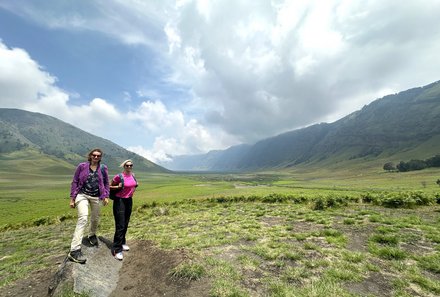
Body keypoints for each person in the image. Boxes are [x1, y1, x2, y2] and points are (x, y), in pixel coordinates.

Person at [68, 148, 110, 264]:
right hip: (82, 195)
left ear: (100, 157)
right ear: (90, 156)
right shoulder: (82, 166)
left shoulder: (103, 168)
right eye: (94, 155)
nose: (96, 157)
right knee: (83, 218)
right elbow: (75, 181)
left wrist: (106, 196)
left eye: (98, 156)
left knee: (95, 218)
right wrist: (72, 199)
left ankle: (91, 234)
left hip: (96, 196)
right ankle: (74, 250)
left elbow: (106, 183)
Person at [110, 159, 138, 260]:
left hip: (128, 200)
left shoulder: (133, 175)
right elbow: (109, 186)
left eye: (131, 165)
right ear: (124, 166)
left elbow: (134, 185)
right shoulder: (119, 176)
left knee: (125, 222)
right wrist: (118, 186)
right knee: (120, 224)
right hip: (119, 201)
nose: (129, 167)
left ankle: (122, 242)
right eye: (127, 165)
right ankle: (116, 249)